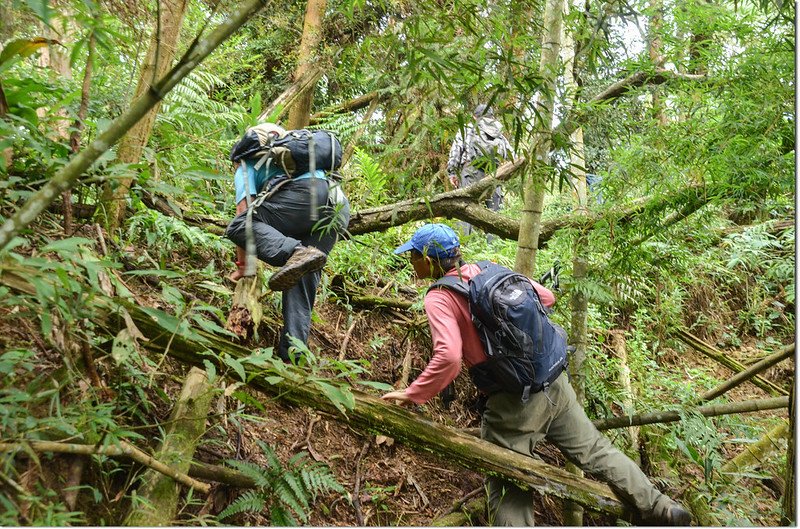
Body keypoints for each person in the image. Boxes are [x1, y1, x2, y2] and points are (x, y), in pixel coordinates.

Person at [382, 223, 692, 526]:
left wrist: (413, 394)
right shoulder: (490, 269)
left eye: (413, 256)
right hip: (554, 382)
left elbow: (449, 357)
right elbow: (546, 298)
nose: (410, 262)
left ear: (428, 259)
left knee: (509, 485)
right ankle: (662, 507)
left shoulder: (440, 296)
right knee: (597, 450)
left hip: (513, 403)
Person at [224, 123, 350, 363]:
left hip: (307, 197)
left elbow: (243, 214)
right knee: (301, 274)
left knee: (238, 226)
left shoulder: (247, 163)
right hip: (338, 206)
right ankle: (293, 356)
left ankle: (295, 252)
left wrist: (244, 267)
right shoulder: (293, 156)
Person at [446, 104, 514, 239]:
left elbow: (456, 152)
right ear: (492, 117)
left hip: (470, 173)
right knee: (494, 215)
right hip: (494, 174)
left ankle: (462, 246)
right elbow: (513, 155)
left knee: (464, 210)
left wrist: (452, 173)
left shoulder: (466, 129)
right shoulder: (499, 133)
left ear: (474, 116)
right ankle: (493, 253)